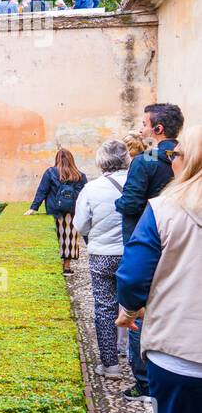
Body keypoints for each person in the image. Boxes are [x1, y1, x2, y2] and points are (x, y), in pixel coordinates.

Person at [115, 126, 202, 413]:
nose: (172, 159)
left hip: (182, 350)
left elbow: (132, 277)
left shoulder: (166, 209)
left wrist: (131, 311)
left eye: (177, 153)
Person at [116, 102, 185, 401]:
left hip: (148, 237)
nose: (142, 128)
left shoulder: (145, 161)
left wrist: (117, 203)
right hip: (181, 237)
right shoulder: (186, 157)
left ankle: (144, 381)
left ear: (157, 129)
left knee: (139, 311)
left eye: (145, 123)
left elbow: (130, 204)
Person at [74, 140, 130, 378]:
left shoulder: (92, 188)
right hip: (133, 255)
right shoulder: (138, 183)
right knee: (136, 306)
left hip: (102, 256)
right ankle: (138, 365)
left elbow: (80, 224)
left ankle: (110, 365)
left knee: (105, 307)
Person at [24, 148, 88, 273]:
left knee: (56, 237)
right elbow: (85, 195)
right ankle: (67, 267)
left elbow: (42, 191)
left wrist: (33, 208)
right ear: (71, 159)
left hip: (55, 211)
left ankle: (54, 265)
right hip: (72, 213)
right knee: (70, 238)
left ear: (57, 159)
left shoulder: (50, 172)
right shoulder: (80, 175)